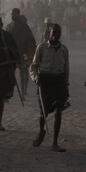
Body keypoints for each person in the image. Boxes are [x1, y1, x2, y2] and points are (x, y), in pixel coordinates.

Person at [30, 24, 70, 152]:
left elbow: (66, 69)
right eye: (54, 32)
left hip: (59, 82)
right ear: (49, 32)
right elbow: (34, 66)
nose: (55, 35)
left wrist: (66, 85)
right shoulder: (41, 47)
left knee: (59, 110)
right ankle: (41, 132)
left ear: (60, 34)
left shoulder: (64, 50)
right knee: (43, 113)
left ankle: (55, 142)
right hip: (44, 82)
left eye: (58, 33)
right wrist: (35, 78)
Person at [6, 8, 37, 99]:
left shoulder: (24, 26)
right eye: (11, 14)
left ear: (18, 14)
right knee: (10, 73)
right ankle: (9, 91)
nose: (12, 16)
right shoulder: (9, 26)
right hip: (12, 53)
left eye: (14, 14)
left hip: (23, 53)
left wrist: (29, 52)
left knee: (23, 73)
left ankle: (23, 91)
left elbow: (31, 40)